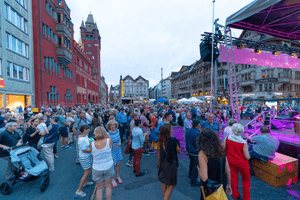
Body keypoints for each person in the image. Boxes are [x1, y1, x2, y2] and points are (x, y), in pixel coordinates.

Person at [198, 128, 232, 200]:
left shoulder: (203, 153)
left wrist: (199, 170)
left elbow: (204, 177)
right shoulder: (220, 151)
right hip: (221, 184)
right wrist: (229, 184)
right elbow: (228, 170)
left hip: (210, 187)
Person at [225, 123, 251, 200]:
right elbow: (247, 156)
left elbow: (224, 147)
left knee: (233, 178)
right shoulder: (243, 142)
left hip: (231, 160)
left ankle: (235, 194)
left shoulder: (228, 137)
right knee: (246, 181)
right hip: (242, 162)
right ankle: (246, 198)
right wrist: (249, 157)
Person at [158, 124, 181, 200]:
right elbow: (179, 150)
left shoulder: (161, 139)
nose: (172, 130)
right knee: (171, 184)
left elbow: (159, 151)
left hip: (163, 162)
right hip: (171, 163)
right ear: (169, 131)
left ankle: (166, 198)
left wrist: (159, 161)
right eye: (171, 129)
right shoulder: (173, 140)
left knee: (164, 182)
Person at [90, 126, 114, 200]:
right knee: (108, 185)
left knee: (99, 188)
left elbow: (92, 153)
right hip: (108, 166)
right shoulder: (109, 140)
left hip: (97, 167)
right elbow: (111, 148)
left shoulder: (92, 143)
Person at [75, 125, 94, 198]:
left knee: (88, 171)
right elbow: (84, 150)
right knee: (87, 172)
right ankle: (78, 190)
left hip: (87, 156)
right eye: (88, 129)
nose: (89, 130)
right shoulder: (81, 139)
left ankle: (85, 182)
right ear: (84, 130)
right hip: (84, 157)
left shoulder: (85, 136)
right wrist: (93, 150)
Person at [106, 120, 123, 187]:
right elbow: (107, 143)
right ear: (109, 126)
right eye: (111, 125)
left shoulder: (117, 130)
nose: (113, 126)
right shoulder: (108, 134)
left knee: (118, 163)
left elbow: (119, 138)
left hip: (118, 149)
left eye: (114, 124)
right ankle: (112, 179)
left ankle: (117, 176)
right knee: (113, 164)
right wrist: (112, 147)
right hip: (112, 150)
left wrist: (119, 143)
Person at [186, 119, 201, 186]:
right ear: (198, 125)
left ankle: (190, 174)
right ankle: (194, 180)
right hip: (194, 151)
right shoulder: (197, 133)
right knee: (195, 165)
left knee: (192, 163)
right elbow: (197, 143)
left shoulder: (189, 130)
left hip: (189, 149)